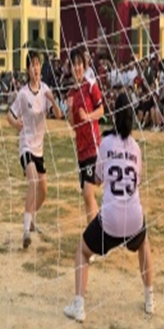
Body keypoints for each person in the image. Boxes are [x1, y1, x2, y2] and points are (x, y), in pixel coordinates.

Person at [63, 91, 154, 323]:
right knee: (144, 244)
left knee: (82, 251)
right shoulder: (136, 148)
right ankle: (149, 299)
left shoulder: (105, 143)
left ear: (114, 116)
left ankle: (79, 306)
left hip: (111, 219)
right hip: (134, 218)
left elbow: (98, 178)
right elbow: (138, 180)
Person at [7, 49, 63, 249]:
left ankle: (31, 218)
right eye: (32, 65)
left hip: (39, 149)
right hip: (26, 147)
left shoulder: (45, 90)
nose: (36, 68)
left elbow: (58, 115)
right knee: (33, 182)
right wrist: (16, 123)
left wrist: (53, 100)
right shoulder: (23, 94)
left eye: (38, 64)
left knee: (44, 191)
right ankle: (25, 231)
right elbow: (10, 114)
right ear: (28, 69)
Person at [67, 47, 105, 222]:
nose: (77, 68)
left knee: (88, 192)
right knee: (86, 195)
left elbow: (102, 111)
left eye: (79, 64)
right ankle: (97, 228)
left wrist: (88, 116)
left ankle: (94, 231)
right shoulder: (71, 93)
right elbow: (72, 124)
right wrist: (69, 109)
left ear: (84, 66)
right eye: (74, 65)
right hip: (80, 149)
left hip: (93, 146)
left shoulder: (90, 86)